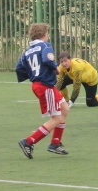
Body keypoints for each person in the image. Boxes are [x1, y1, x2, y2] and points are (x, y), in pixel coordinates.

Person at [16, 23, 71, 158]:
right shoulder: (45, 45)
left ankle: (55, 143)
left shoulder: (27, 51)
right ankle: (28, 142)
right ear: (44, 34)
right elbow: (48, 59)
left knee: (64, 108)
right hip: (45, 86)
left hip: (39, 84)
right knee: (56, 118)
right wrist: (56, 68)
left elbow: (19, 68)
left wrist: (34, 75)